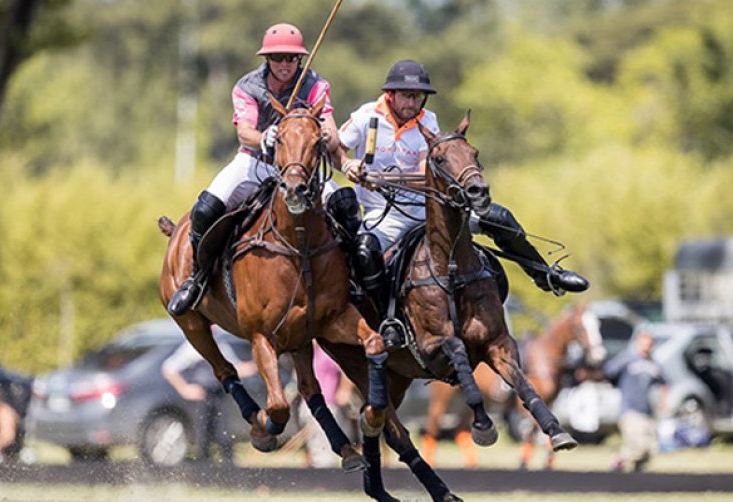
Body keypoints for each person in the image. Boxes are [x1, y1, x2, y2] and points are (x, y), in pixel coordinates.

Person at [328, 59, 589, 333]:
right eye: (407, 95)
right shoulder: (366, 116)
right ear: (390, 95)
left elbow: (422, 172)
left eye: (418, 97)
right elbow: (336, 148)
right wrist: (346, 164)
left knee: (499, 218)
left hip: (428, 208)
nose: (413, 103)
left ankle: (545, 275)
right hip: (384, 215)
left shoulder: (427, 122)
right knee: (362, 251)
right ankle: (385, 320)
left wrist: (384, 179)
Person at [169, 22, 339, 316]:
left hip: (301, 169)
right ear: (267, 59)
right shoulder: (247, 86)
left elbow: (332, 133)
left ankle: (355, 286)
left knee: (345, 208)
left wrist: (321, 134)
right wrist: (267, 138)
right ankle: (197, 278)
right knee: (205, 210)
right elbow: (245, 133)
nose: (285, 64)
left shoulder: (316, 85)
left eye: (291, 58)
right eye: (278, 58)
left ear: (299, 59)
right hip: (255, 163)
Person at [162, 334, 258, 463]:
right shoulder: (193, 345)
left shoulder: (221, 345)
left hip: (218, 393)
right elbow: (169, 368)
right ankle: (203, 464)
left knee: (222, 431)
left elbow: (235, 368)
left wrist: (259, 362)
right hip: (202, 395)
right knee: (203, 434)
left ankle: (228, 467)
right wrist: (185, 389)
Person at [604, 329, 667, 472]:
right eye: (644, 342)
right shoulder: (627, 360)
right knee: (638, 445)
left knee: (649, 451)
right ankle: (618, 463)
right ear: (637, 342)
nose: (647, 346)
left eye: (649, 343)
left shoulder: (654, 364)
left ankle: (636, 480)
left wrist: (664, 402)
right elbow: (608, 372)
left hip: (647, 412)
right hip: (630, 410)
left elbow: (664, 384)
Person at [297, 341, 357, 468]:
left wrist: (345, 389)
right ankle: (322, 472)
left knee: (325, 443)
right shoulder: (303, 351)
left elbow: (347, 370)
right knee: (315, 444)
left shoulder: (329, 351)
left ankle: (326, 473)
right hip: (307, 405)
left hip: (329, 404)